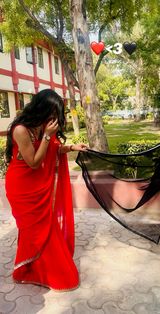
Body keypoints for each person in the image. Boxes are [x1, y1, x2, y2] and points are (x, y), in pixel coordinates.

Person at [5, 89, 87, 291]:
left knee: (43, 228)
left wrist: (71, 148)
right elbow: (33, 162)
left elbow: (52, 150)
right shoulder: (21, 130)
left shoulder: (42, 128)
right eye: (52, 113)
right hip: (22, 188)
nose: (54, 119)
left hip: (38, 187)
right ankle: (40, 271)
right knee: (34, 229)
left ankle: (32, 270)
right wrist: (48, 136)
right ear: (41, 109)